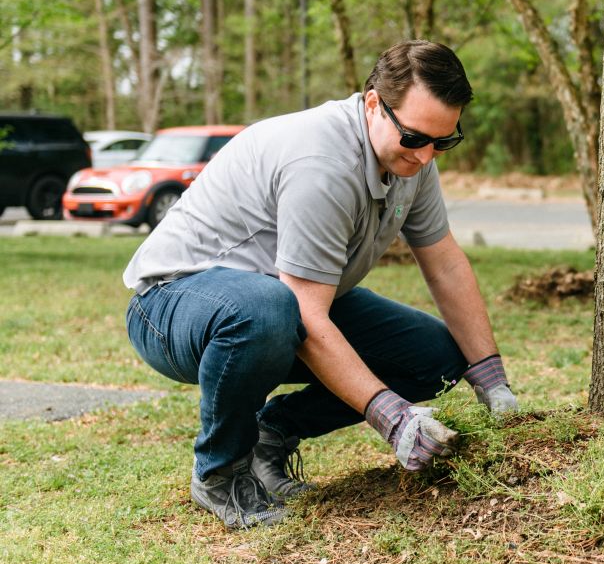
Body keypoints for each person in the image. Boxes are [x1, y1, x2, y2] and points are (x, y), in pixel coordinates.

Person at [124, 40, 519, 530]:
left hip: (278, 305)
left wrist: (492, 382)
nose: (426, 156)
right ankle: (220, 474)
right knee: (268, 309)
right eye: (416, 138)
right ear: (373, 103)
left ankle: (272, 435)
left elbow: (445, 265)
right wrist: (393, 419)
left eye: (444, 141)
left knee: (435, 358)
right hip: (172, 304)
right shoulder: (322, 163)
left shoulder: (414, 157)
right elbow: (306, 313)